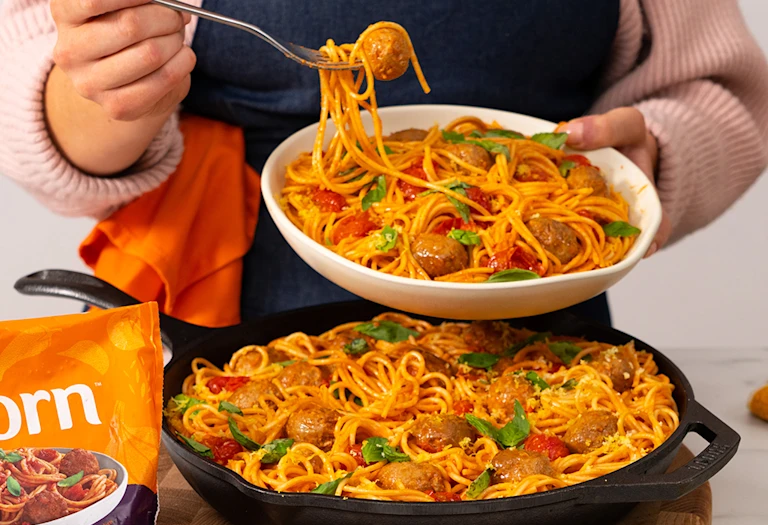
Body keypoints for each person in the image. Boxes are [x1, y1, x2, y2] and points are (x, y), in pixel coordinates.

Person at [1, 0, 767, 325]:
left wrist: (650, 154)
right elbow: (27, 88)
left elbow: (721, 93)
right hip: (223, 326)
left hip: (548, 324)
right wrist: (108, 85)